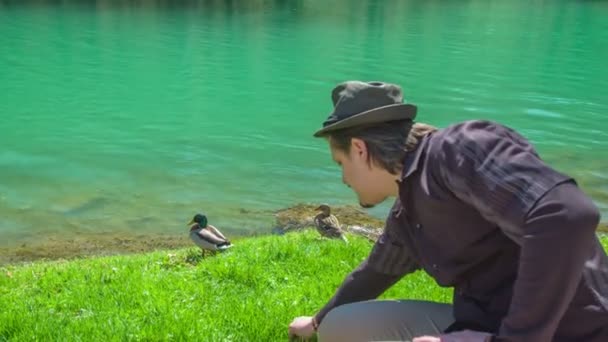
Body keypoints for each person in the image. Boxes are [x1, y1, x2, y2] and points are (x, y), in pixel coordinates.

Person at [287, 81, 608, 341]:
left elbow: (566, 215)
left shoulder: (458, 150)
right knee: (339, 326)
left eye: (340, 164)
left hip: (572, 330)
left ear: (359, 149)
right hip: (488, 326)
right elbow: (376, 272)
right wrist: (316, 322)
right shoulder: (407, 211)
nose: (343, 178)